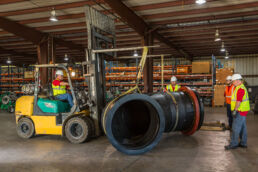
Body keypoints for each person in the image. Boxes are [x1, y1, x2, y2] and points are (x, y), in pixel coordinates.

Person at [225, 74, 250, 150]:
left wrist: (235, 110)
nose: (232, 83)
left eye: (233, 81)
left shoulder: (240, 89)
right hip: (243, 110)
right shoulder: (239, 87)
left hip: (240, 110)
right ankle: (243, 143)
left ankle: (233, 144)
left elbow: (238, 101)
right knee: (243, 127)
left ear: (238, 81)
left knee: (235, 127)